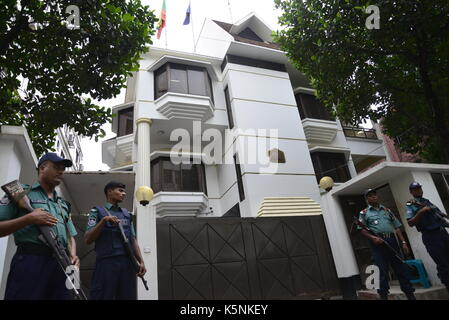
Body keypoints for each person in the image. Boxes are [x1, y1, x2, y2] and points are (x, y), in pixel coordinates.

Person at [0, 152, 79, 300]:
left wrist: (73, 255)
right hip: (31, 261)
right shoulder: (22, 193)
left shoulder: (63, 204)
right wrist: (29, 218)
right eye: (56, 167)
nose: (61, 171)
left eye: (63, 168)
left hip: (63, 264)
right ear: (42, 168)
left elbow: (70, 235)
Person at [85, 181, 146, 300]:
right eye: (120, 191)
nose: (124, 194)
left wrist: (141, 262)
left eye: (124, 191)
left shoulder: (126, 214)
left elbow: (132, 239)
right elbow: (88, 239)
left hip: (126, 264)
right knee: (102, 296)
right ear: (109, 192)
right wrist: (103, 221)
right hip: (106, 263)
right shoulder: (97, 212)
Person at [358, 188, 416, 300]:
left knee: (401, 268)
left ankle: (410, 294)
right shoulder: (364, 213)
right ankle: (383, 296)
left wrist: (403, 242)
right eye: (370, 195)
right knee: (381, 271)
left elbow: (397, 227)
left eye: (374, 194)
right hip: (377, 243)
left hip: (392, 241)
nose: (373, 197)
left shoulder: (387, 210)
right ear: (367, 199)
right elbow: (361, 229)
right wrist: (373, 238)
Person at [406, 181, 449, 293]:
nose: (418, 190)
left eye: (419, 188)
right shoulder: (411, 204)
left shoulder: (427, 202)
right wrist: (421, 212)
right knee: (443, 263)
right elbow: (410, 223)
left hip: (443, 233)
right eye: (415, 189)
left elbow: (440, 217)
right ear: (411, 192)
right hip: (431, 237)